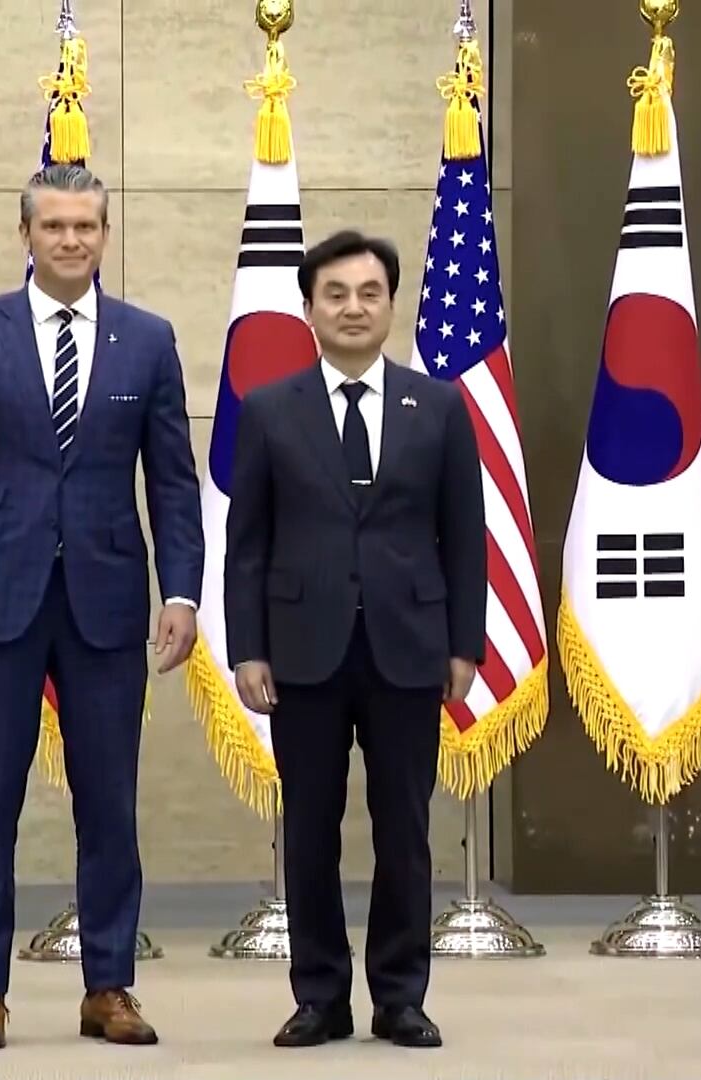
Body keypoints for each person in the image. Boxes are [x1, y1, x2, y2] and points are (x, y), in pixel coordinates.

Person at [0, 163, 204, 1050]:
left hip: (106, 602)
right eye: (55, 226)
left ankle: (108, 986)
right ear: (26, 234)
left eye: (86, 226)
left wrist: (181, 591)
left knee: (109, 804)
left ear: (104, 236)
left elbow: (173, 483)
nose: (71, 239)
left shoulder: (147, 340)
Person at [224, 230, 485, 1050]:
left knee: (404, 828)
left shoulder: (437, 406)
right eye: (334, 294)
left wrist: (465, 645)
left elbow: (464, 535)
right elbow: (247, 543)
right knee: (309, 829)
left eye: (369, 293)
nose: (352, 308)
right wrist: (247, 648)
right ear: (309, 308)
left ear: (390, 304)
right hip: (302, 649)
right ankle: (320, 997)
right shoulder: (270, 409)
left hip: (410, 645)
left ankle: (400, 997)